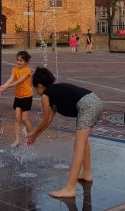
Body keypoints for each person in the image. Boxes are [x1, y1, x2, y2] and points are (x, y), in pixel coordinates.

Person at [27, 66, 103, 198]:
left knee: (78, 146)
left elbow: (44, 119)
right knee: (83, 141)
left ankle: (70, 188)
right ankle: (86, 174)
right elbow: (48, 120)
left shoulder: (46, 94)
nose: (36, 93)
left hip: (87, 105)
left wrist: (33, 134)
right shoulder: (54, 92)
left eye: (35, 89)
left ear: (39, 85)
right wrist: (35, 135)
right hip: (94, 101)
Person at [0, 51, 34, 147]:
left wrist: (7, 87)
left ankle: (33, 135)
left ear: (26, 62)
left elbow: (18, 81)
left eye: (21, 61)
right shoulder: (14, 69)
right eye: (17, 60)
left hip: (27, 96)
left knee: (25, 119)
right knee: (17, 118)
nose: (19, 62)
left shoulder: (27, 71)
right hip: (18, 96)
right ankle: (17, 140)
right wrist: (4, 85)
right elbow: (11, 79)